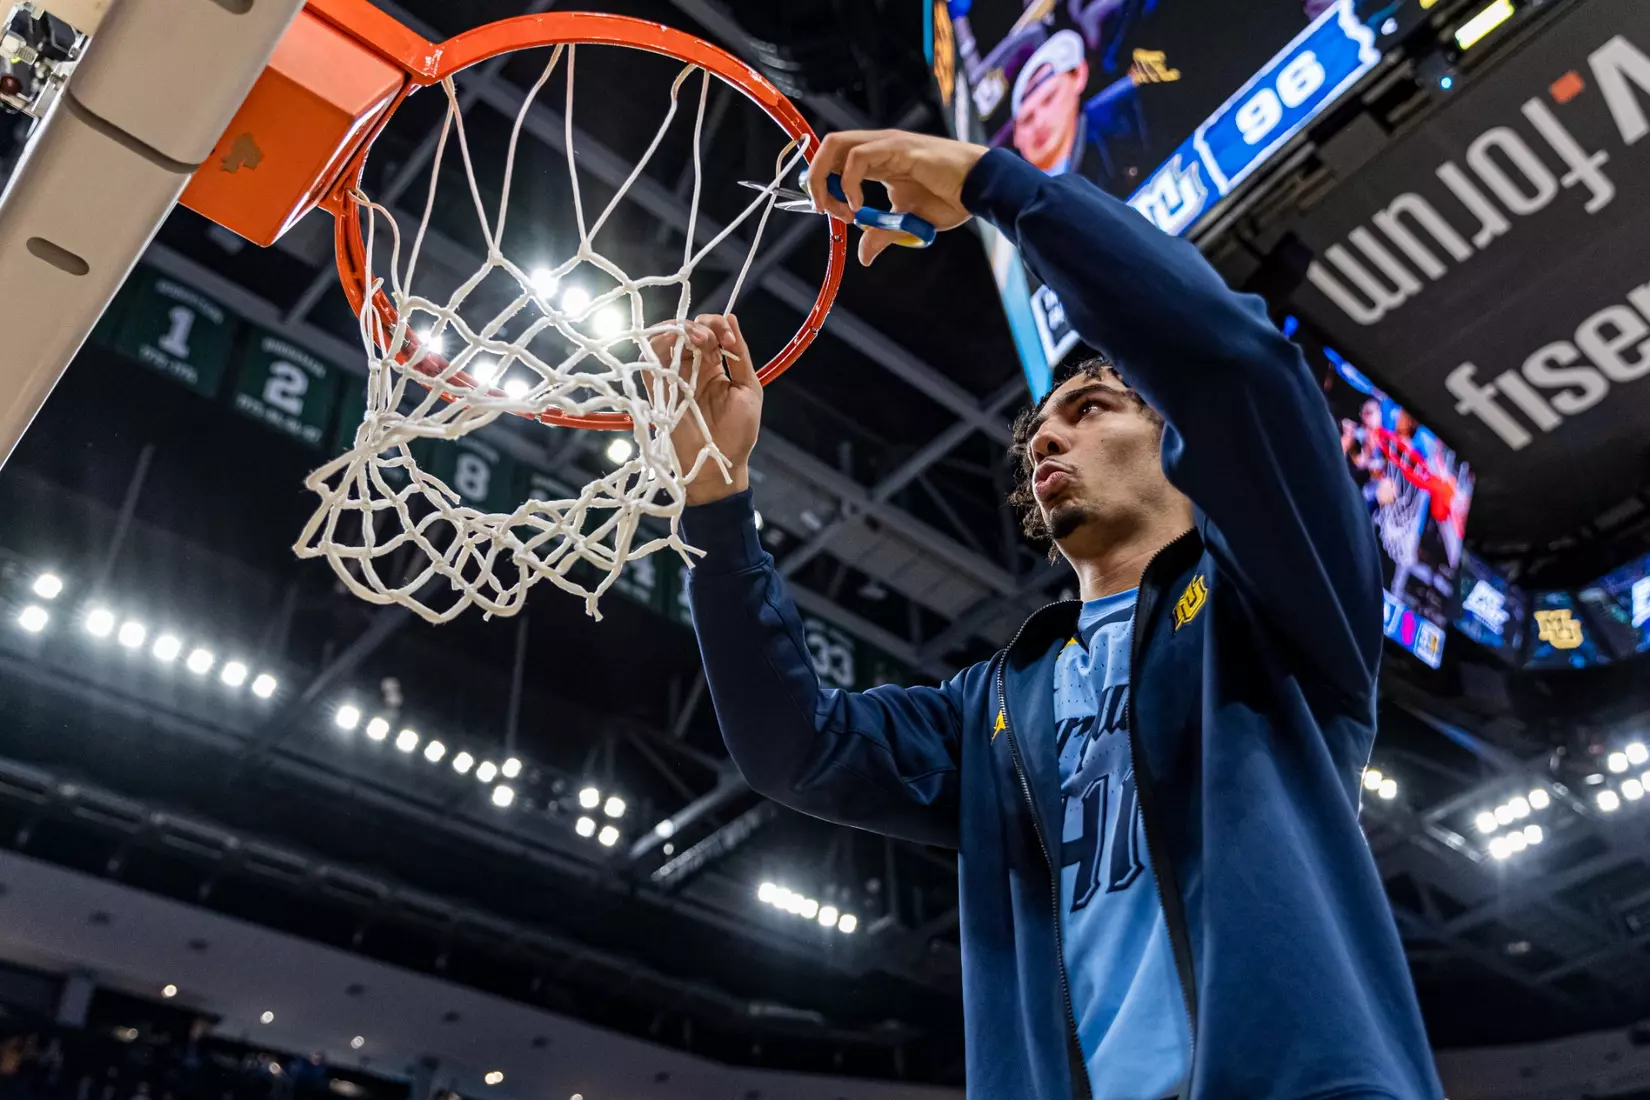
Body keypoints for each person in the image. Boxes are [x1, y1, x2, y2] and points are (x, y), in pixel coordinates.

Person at [656, 131, 1442, 1099]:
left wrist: (999, 187)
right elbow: (794, 747)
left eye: (1095, 404)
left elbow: (1238, 368)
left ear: (1186, 449)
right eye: (1040, 425)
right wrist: (715, 494)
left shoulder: (1276, 595)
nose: (1049, 433)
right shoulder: (993, 702)